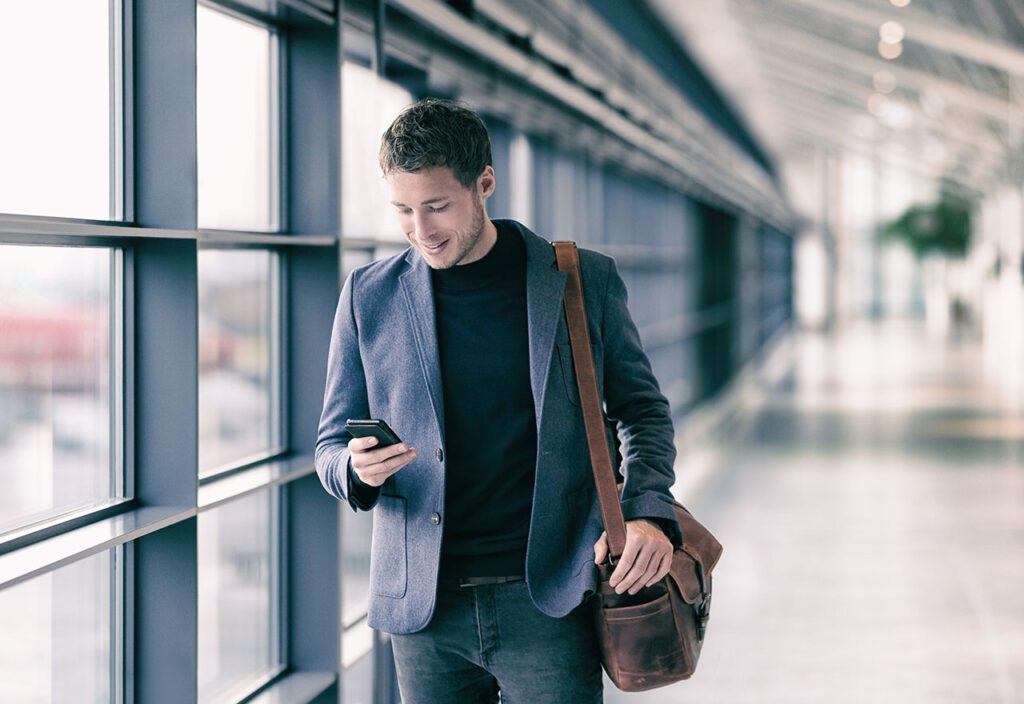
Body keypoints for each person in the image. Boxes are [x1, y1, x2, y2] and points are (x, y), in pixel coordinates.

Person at [315, 98, 683, 703]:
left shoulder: (580, 280)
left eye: (437, 206)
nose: (421, 230)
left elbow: (641, 412)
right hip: (425, 608)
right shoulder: (368, 296)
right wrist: (353, 469)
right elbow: (328, 447)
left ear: (485, 183)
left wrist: (646, 508)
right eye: (403, 210)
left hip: (549, 596)